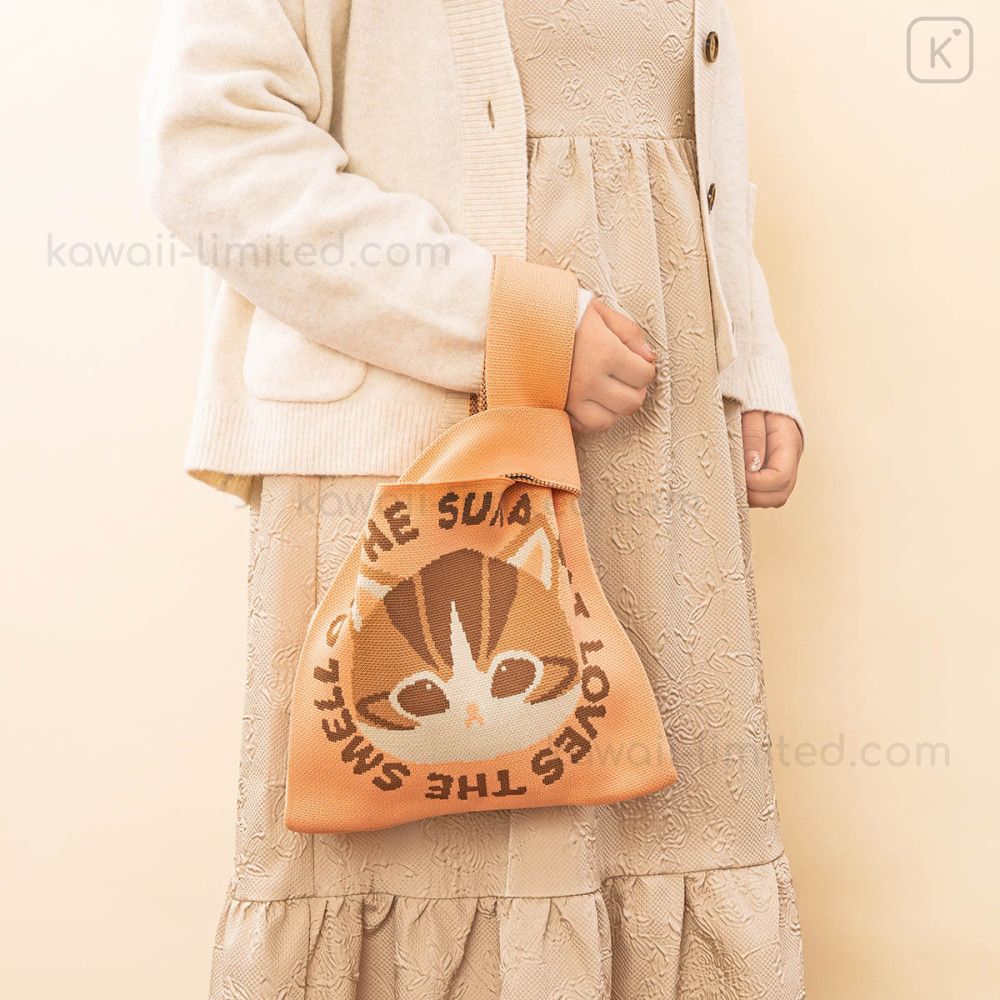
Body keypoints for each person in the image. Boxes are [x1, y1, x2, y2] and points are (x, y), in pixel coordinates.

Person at [140, 0, 806, 995]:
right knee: (429, 836)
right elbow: (211, 148)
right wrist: (498, 318)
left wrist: (750, 359)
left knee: (660, 829)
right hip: (414, 440)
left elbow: (677, 143)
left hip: (657, 441)